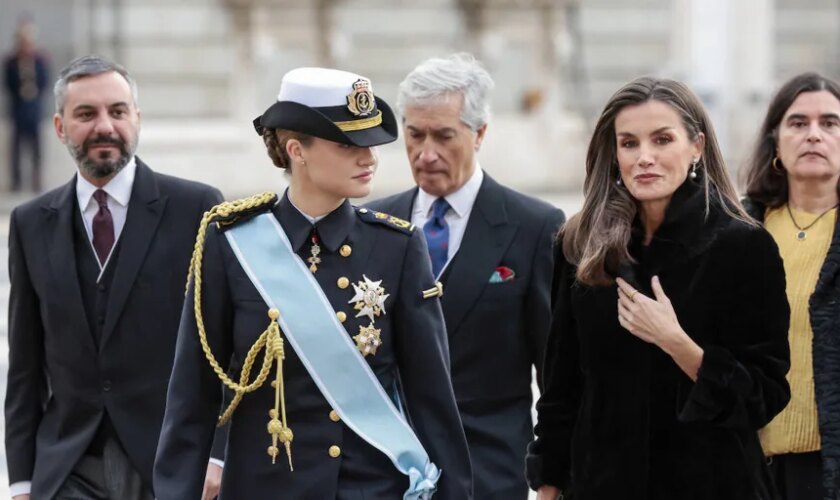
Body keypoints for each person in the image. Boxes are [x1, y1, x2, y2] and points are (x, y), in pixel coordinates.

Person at [153, 67, 473, 499]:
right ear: (296, 150)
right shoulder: (230, 243)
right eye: (347, 144)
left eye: (371, 143)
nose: (369, 158)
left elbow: (432, 402)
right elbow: (192, 398)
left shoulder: (397, 246)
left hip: (370, 489)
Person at [526, 76, 792, 500]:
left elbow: (765, 395)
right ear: (613, 154)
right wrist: (547, 486)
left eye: (662, 140)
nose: (644, 157)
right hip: (600, 485)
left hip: (713, 485)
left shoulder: (744, 246)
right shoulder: (581, 244)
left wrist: (678, 344)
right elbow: (560, 390)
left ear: (697, 147)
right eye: (629, 143)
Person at [4, 55, 225, 500]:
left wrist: (217, 456)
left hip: (171, 463)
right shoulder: (30, 223)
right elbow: (25, 368)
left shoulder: (197, 208)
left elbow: (226, 345)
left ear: (137, 119)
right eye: (86, 114)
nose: (104, 126)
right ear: (60, 127)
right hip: (68, 466)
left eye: (117, 111)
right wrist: (23, 482)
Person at [366, 53, 564, 500]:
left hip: (488, 473)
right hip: (387, 473)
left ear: (480, 134)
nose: (426, 153)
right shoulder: (374, 223)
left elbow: (557, 374)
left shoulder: (535, 228)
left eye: (444, 136)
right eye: (414, 135)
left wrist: (553, 477)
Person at [742, 72, 840, 500]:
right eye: (798, 123)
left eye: (830, 123)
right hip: (747, 464)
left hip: (826, 467)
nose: (814, 135)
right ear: (775, 144)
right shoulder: (740, 231)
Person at [3, 18, 49, 192]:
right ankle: (16, 181)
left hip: (34, 109)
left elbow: (45, 81)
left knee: (37, 149)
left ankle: (37, 180)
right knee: (16, 149)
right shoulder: (11, 61)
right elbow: (7, 84)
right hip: (18, 109)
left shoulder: (40, 60)